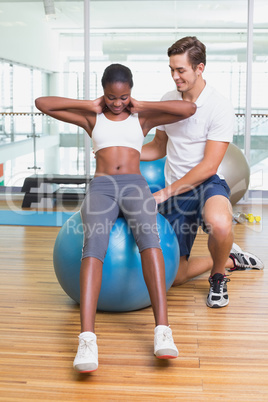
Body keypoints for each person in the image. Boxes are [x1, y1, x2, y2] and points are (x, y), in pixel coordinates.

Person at [35, 63, 196, 373]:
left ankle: (163, 330)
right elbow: (43, 104)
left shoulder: (142, 117)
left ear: (131, 93)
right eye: (111, 97)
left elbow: (187, 108)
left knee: (151, 243)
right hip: (103, 187)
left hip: (135, 185)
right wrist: (90, 104)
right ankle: (87, 338)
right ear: (103, 93)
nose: (118, 103)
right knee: (93, 247)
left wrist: (142, 104)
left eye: (124, 97)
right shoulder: (91, 117)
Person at [141, 36, 264, 309]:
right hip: (177, 191)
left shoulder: (218, 106)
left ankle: (218, 277)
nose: (175, 76)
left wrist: (163, 193)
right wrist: (123, 152)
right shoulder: (168, 99)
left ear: (200, 68)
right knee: (176, 277)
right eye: (171, 69)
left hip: (207, 184)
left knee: (220, 224)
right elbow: (158, 146)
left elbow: (209, 166)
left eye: (181, 70)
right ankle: (231, 259)